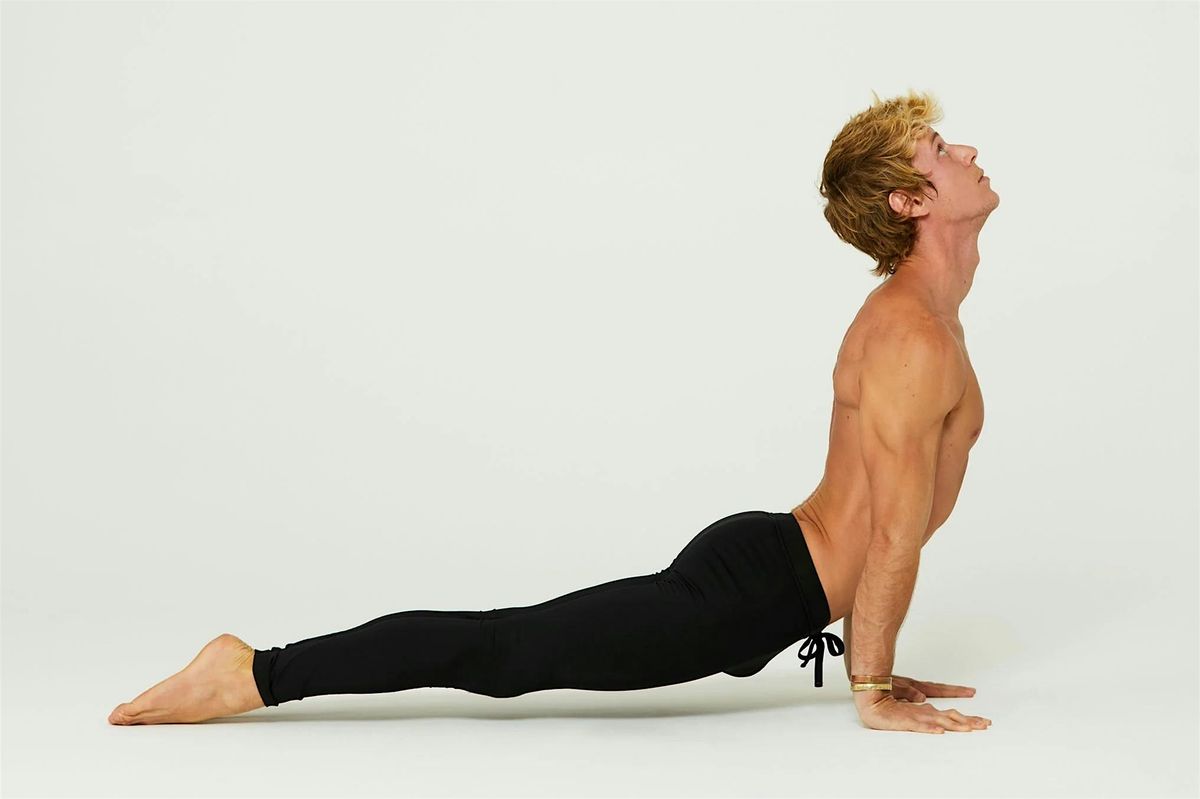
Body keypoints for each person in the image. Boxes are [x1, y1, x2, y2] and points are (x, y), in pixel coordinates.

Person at [107, 89, 995, 733]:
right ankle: (253, 671)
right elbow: (888, 531)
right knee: (506, 651)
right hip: (750, 590)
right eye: (940, 149)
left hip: (775, 584)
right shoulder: (911, 338)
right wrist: (870, 687)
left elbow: (884, 521)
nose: (965, 150)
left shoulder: (930, 321)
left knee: (514, 646)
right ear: (910, 201)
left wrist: (874, 664)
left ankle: (256, 670)